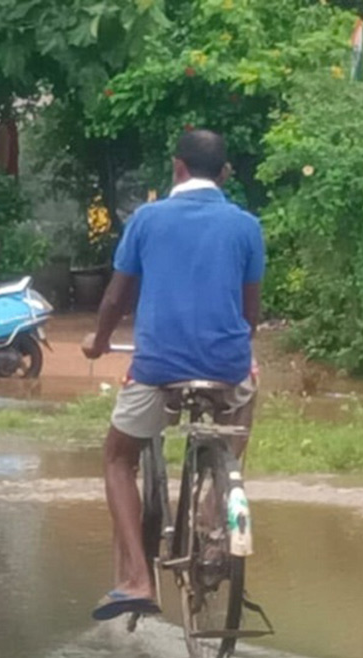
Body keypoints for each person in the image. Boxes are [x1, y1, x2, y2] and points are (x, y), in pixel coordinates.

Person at [81, 129, 264, 621]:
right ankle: (216, 499)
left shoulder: (147, 219)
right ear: (224, 173)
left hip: (158, 366)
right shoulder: (246, 226)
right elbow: (250, 316)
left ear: (177, 166)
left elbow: (116, 299)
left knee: (118, 457)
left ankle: (137, 579)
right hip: (226, 366)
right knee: (248, 393)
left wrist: (97, 343)